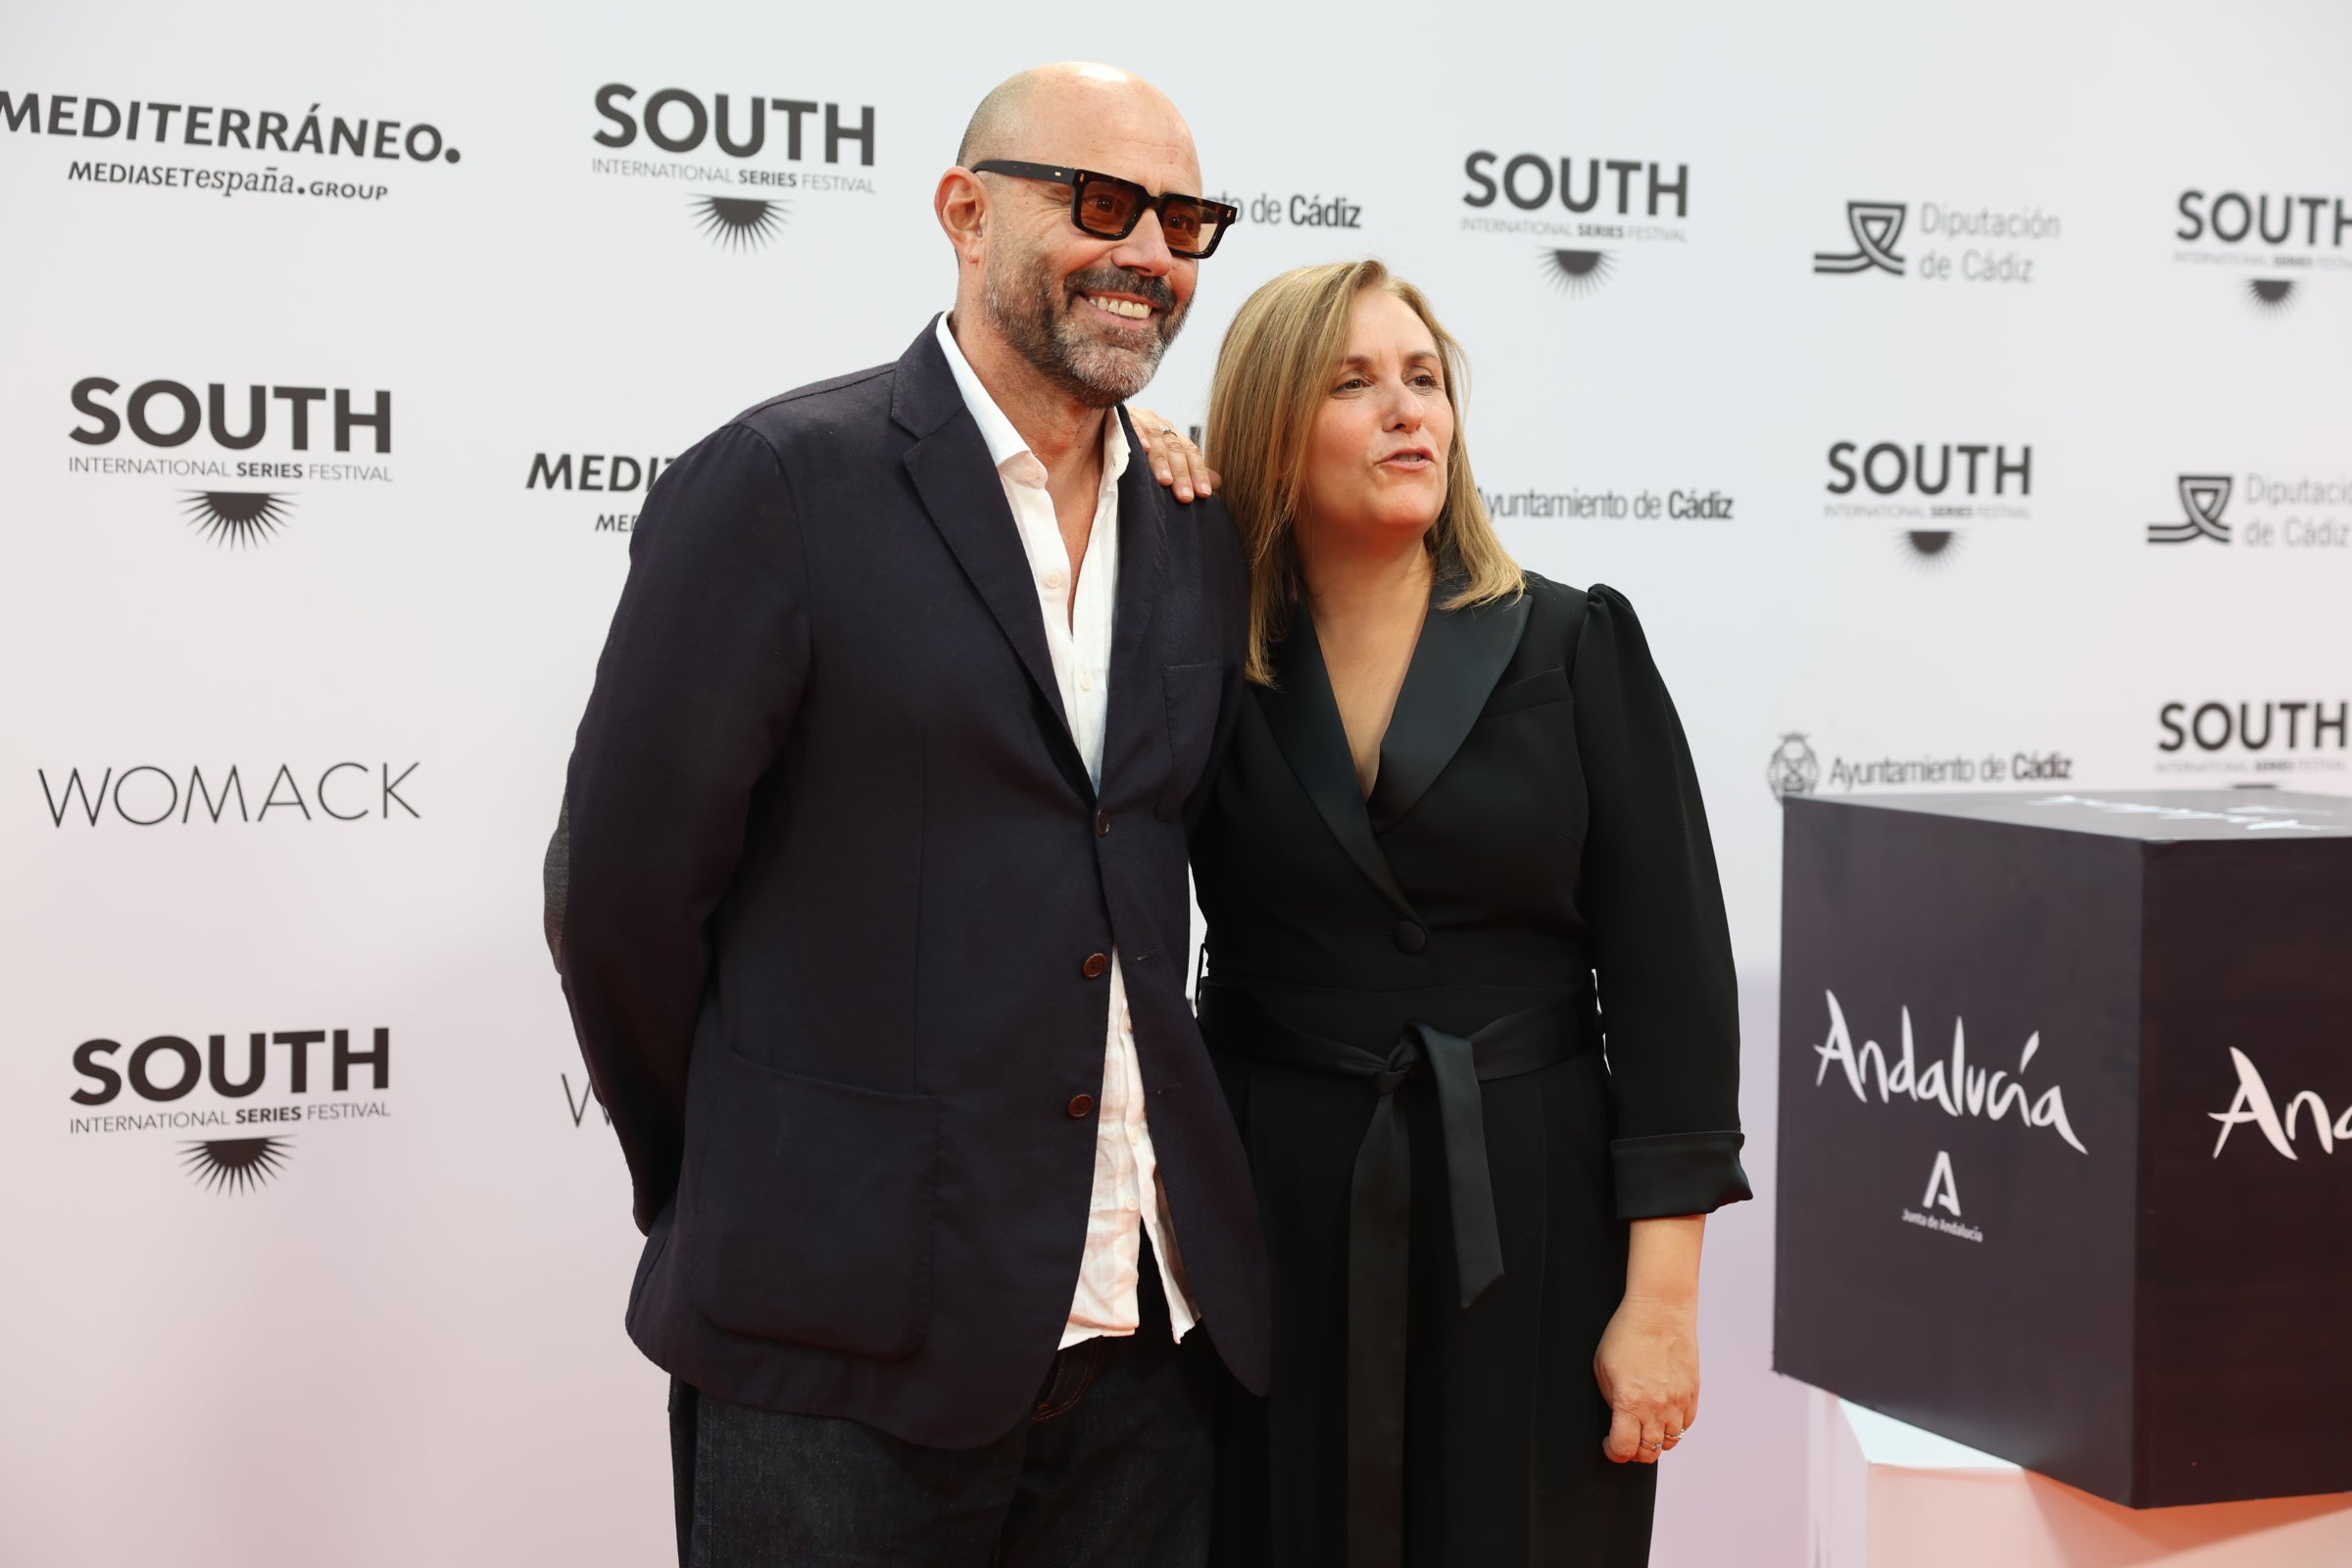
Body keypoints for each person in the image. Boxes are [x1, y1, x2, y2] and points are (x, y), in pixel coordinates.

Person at [544, 63, 1266, 1568]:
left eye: (1185, 220)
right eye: (1103, 202)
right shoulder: (782, 482)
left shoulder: (1194, 529)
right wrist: (752, 1163)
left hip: (1147, 1334)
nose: (1151, 250)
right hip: (835, 1332)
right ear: (964, 209)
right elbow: (618, 896)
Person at [1154, 259, 1751, 1567]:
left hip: (1527, 1205)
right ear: (1265, 422)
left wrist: (1661, 1304)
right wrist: (1135, 460)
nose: (1408, 410)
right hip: (1272, 1202)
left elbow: (1674, 997)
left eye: (1424, 379)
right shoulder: (1199, 654)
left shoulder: (1573, 643)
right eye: (1355, 383)